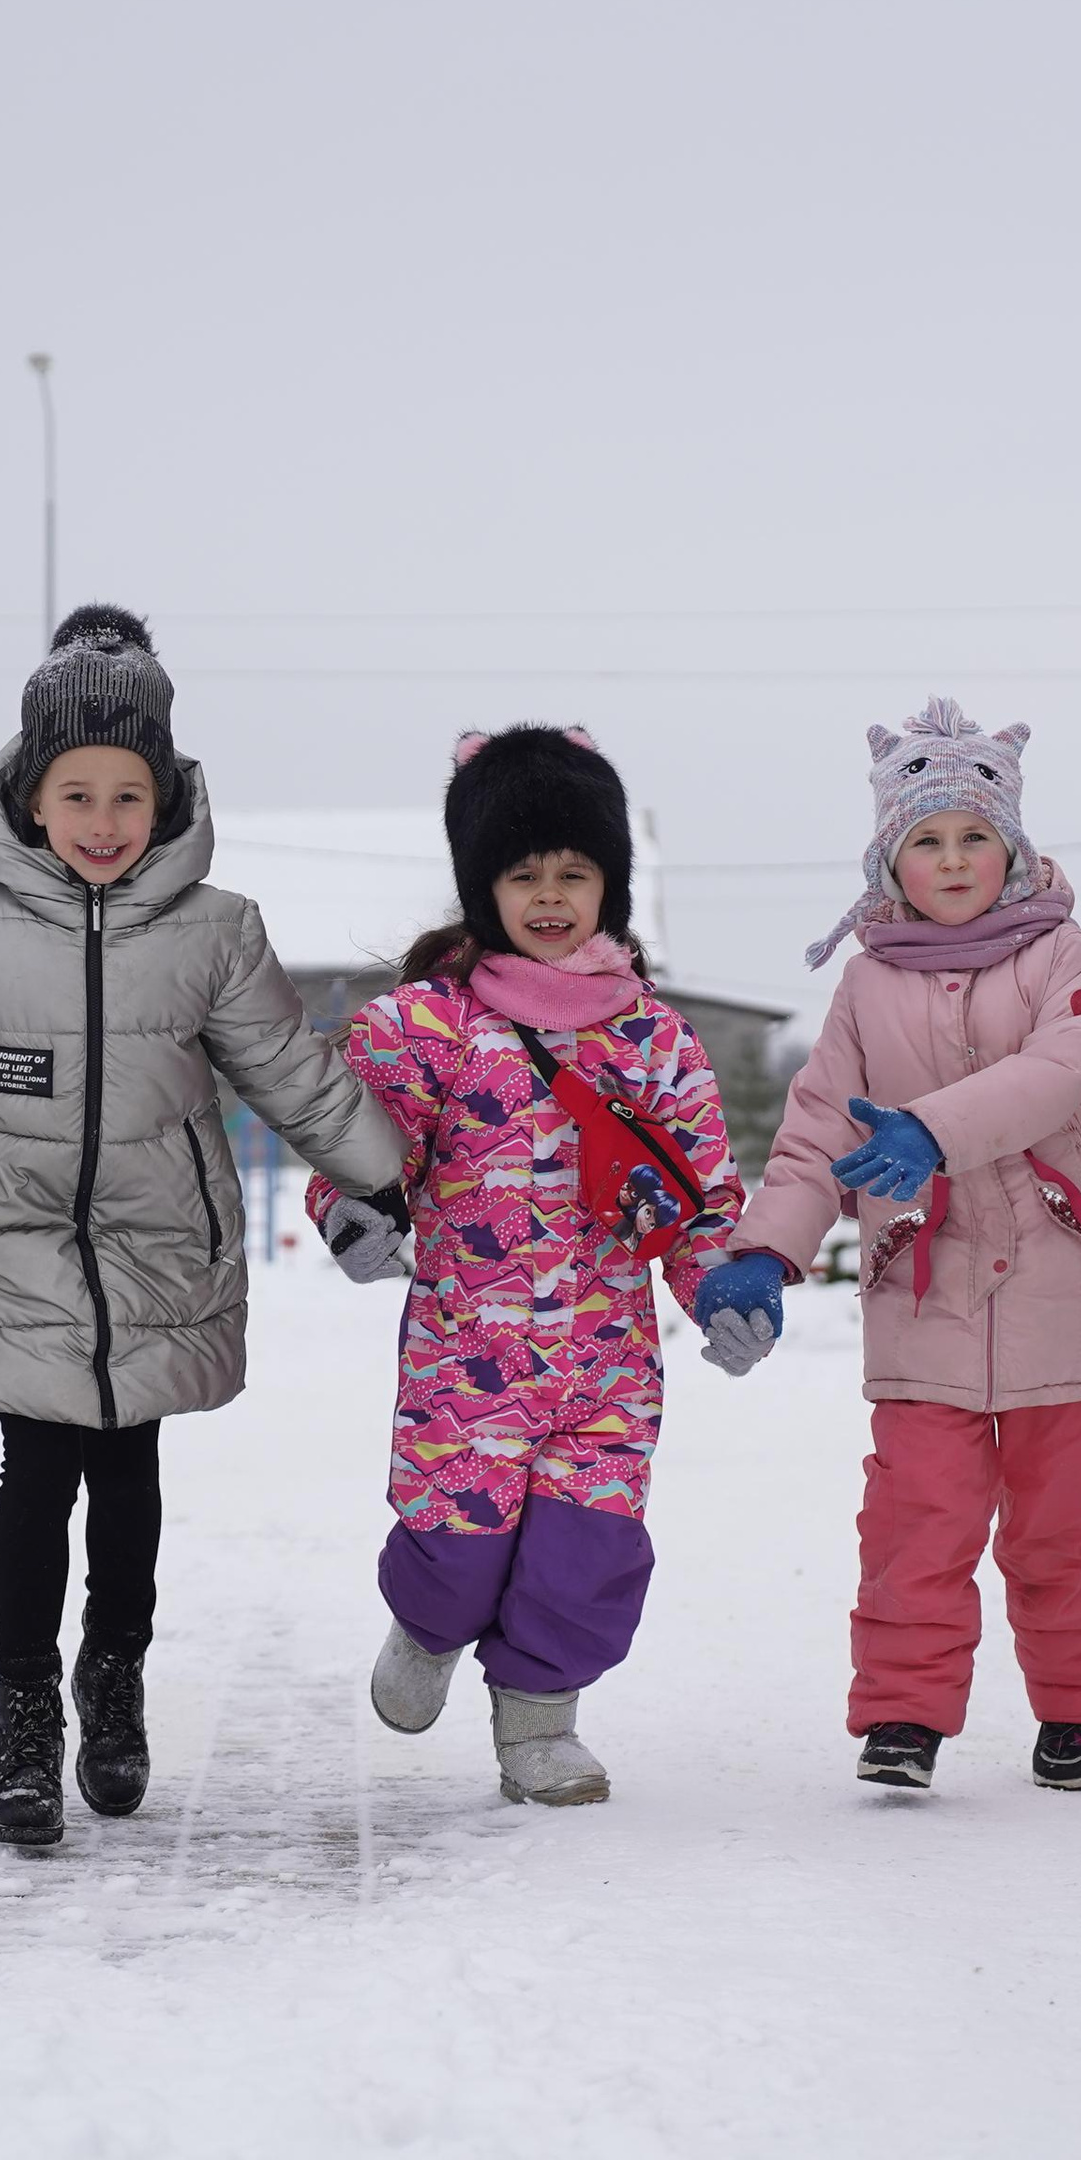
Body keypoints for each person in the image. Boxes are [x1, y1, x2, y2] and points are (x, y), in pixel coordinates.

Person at [0, 606, 404, 1846]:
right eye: (76, 792)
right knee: (35, 1471)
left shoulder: (215, 928)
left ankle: (112, 1674)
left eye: (128, 794)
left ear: (163, 797)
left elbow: (287, 1068)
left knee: (127, 1469)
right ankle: (24, 1714)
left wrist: (382, 1174)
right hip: (11, 1236)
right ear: (31, 798)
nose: (102, 819)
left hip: (158, 1238)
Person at [694, 696, 1081, 1792]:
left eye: (973, 837)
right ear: (888, 860)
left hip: (1060, 1275)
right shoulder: (867, 981)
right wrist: (766, 1252)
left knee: (1061, 1525)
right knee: (916, 1518)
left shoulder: (1062, 952)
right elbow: (821, 1124)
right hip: (923, 1280)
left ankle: (1080, 1705)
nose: (952, 860)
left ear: (1012, 849)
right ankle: (904, 1714)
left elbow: (1058, 1075)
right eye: (927, 840)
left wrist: (930, 1132)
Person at [308, 724, 744, 1806]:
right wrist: (353, 1209)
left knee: (586, 1554)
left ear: (611, 888)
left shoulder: (654, 1042)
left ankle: (541, 1724)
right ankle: (428, 1625)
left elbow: (699, 1197)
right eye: (523, 874)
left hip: (607, 1365)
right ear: (482, 888)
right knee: (457, 1549)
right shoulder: (428, 1027)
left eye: (574, 873)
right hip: (469, 1362)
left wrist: (725, 1285)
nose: (550, 896)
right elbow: (358, 1142)